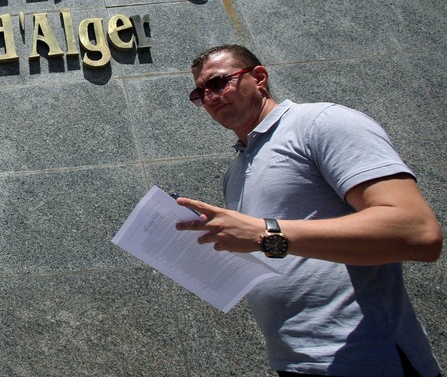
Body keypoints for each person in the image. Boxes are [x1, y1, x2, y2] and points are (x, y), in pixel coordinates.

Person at [174, 44, 443, 377]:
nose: (210, 97)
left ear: (259, 78)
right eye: (200, 93)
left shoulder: (319, 124)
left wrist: (265, 233)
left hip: (369, 359)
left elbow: (417, 231)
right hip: (294, 362)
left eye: (218, 83)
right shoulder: (235, 173)